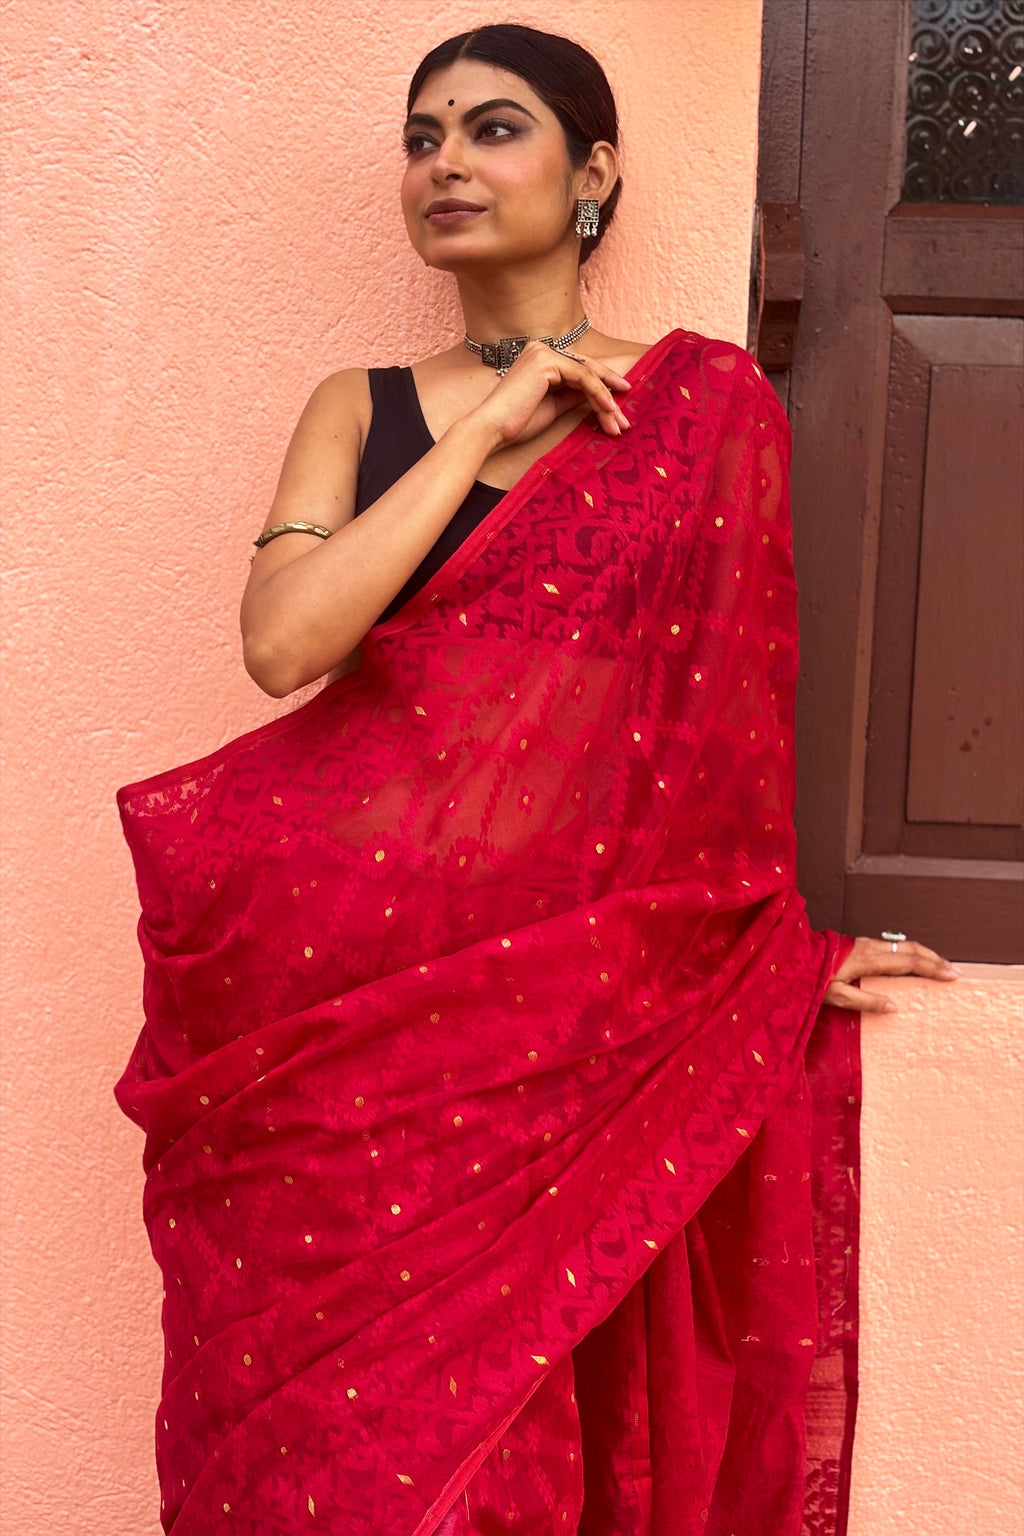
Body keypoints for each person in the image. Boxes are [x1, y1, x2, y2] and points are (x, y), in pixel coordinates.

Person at [115, 23, 960, 1536]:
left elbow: (718, 744)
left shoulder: (708, 414)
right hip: (333, 1037)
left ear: (595, 172)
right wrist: (488, 427)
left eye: (493, 129)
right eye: (421, 136)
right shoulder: (358, 407)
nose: (445, 161)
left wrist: (767, 960)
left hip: (562, 1033)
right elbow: (284, 645)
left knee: (524, 1443)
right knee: (335, 1462)